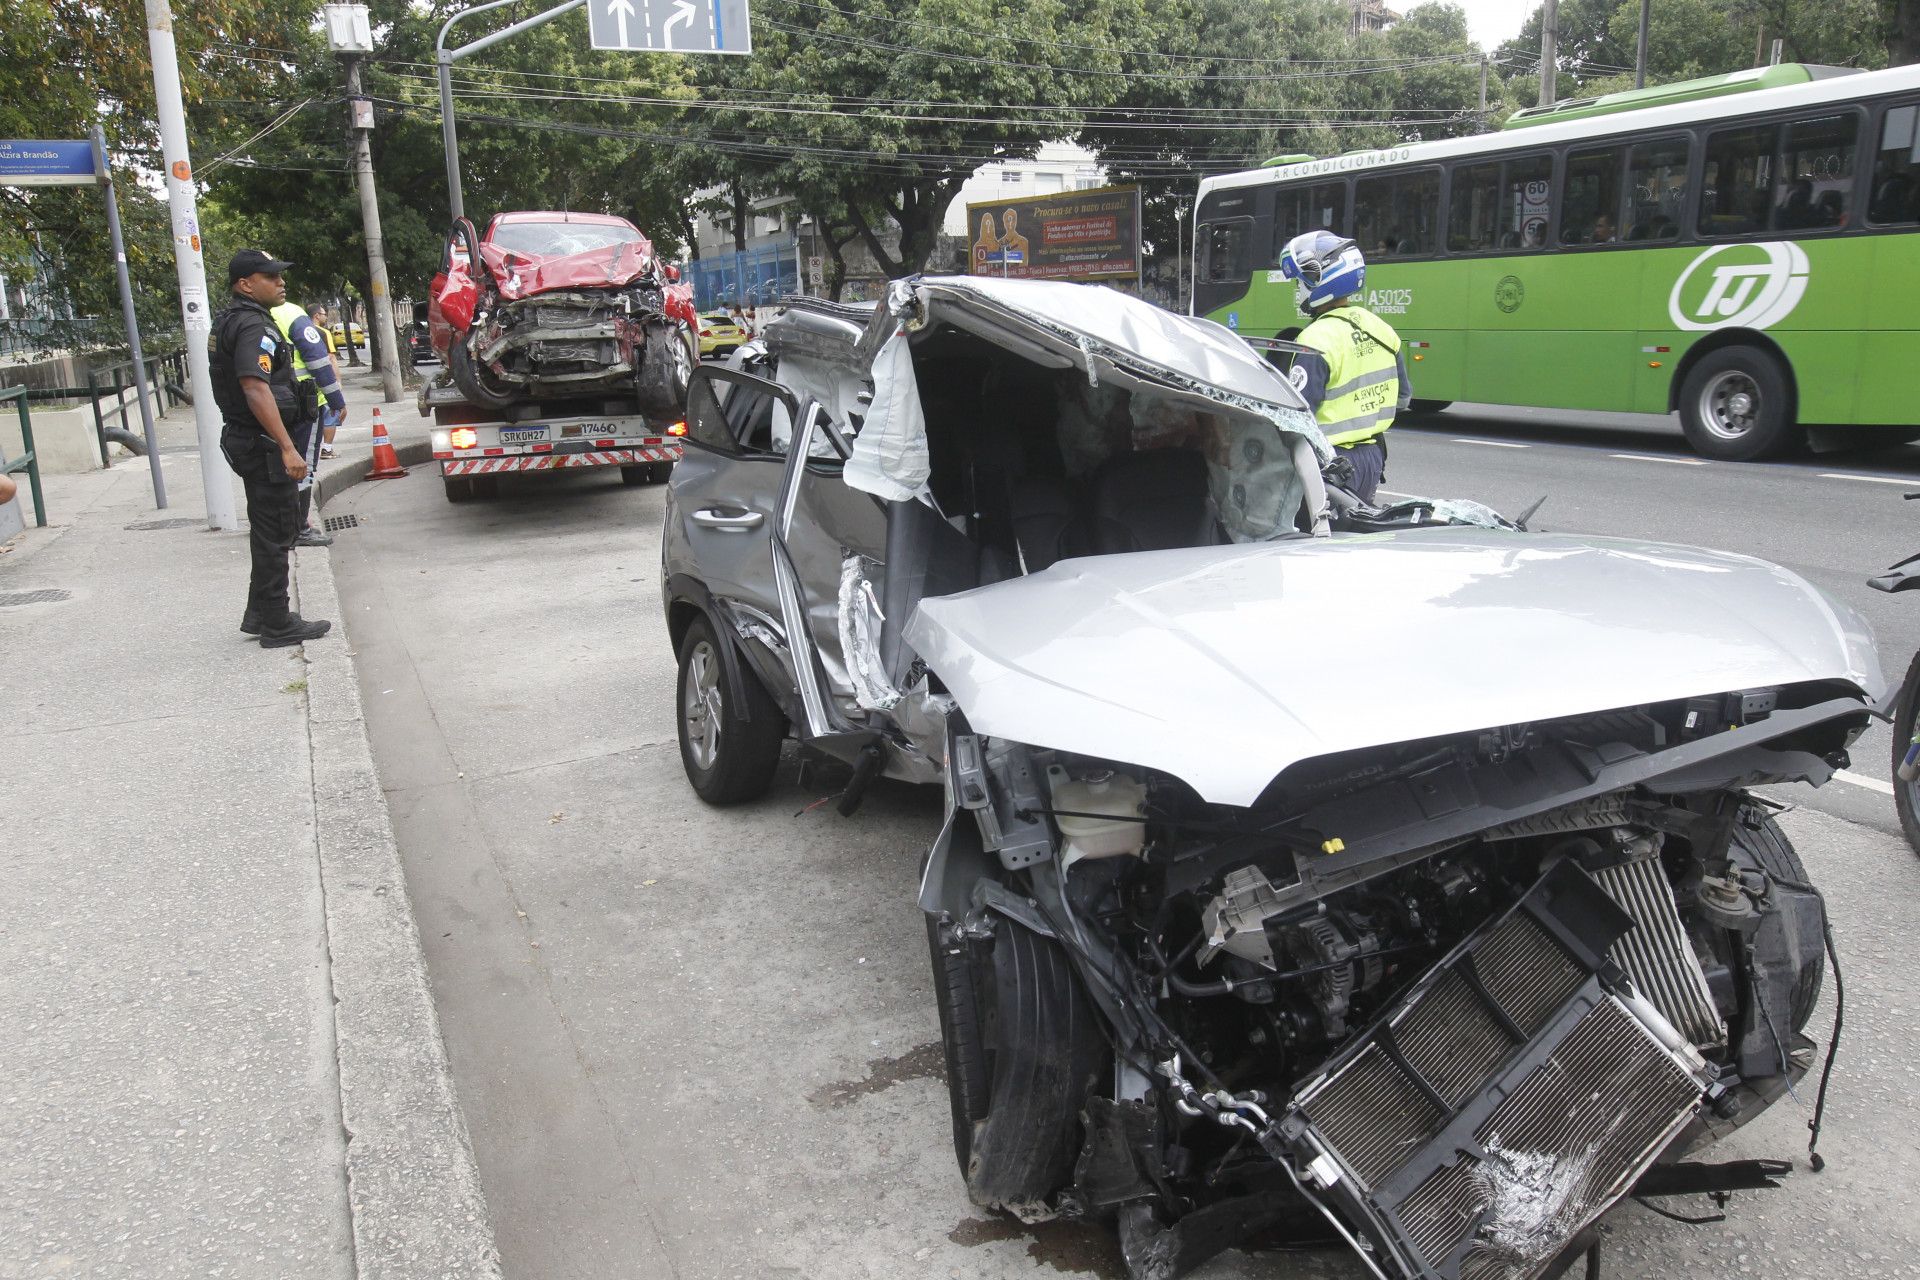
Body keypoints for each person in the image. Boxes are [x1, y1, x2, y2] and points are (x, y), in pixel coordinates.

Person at [209, 249, 332, 647]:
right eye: (270, 277)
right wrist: (287, 447)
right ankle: (277, 625)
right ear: (245, 285)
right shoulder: (250, 325)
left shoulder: (233, 319)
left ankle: (263, 613)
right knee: (277, 532)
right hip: (263, 443)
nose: (281, 283)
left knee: (266, 529)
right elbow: (254, 386)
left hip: (249, 438)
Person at [1275, 230, 1410, 504]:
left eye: (1300, 282)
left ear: (1318, 280)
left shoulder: (1315, 339)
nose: (1297, 289)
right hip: (1373, 459)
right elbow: (1403, 399)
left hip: (1330, 463)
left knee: (1318, 539)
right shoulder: (1379, 328)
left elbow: (1297, 418)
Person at [270, 300, 346, 546]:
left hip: (266, 406)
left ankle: (280, 522)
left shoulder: (250, 313)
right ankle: (299, 527)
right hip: (303, 403)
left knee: (275, 464)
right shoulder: (291, 313)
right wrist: (336, 398)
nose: (280, 283)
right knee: (303, 464)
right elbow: (317, 360)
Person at [308, 303, 343, 458]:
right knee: (331, 412)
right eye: (323, 314)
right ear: (316, 316)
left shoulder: (299, 331)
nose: (325, 317)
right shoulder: (322, 332)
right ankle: (327, 449)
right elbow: (331, 357)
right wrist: (337, 380)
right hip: (323, 380)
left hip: (305, 382)